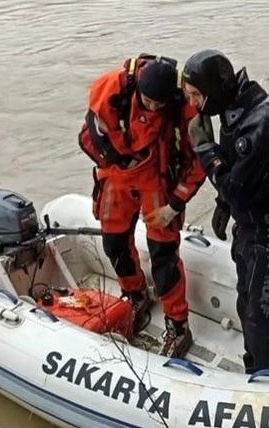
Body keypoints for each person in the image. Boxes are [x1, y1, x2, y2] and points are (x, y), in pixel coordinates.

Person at [181, 49, 269, 374]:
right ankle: (256, 373)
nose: (193, 104)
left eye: (196, 95)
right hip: (250, 227)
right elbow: (240, 175)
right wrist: (224, 206)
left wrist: (205, 151)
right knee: (245, 305)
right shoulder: (230, 111)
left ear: (215, 88)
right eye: (188, 95)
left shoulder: (262, 117)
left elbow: (237, 186)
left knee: (259, 321)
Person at [78, 54, 206, 358]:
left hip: (157, 180)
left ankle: (177, 324)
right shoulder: (112, 89)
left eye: (160, 104)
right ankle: (135, 294)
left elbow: (198, 162)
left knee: (163, 254)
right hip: (117, 175)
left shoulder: (184, 109)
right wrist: (112, 158)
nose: (154, 108)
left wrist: (174, 205)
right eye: (148, 101)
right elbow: (90, 132)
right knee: (114, 244)